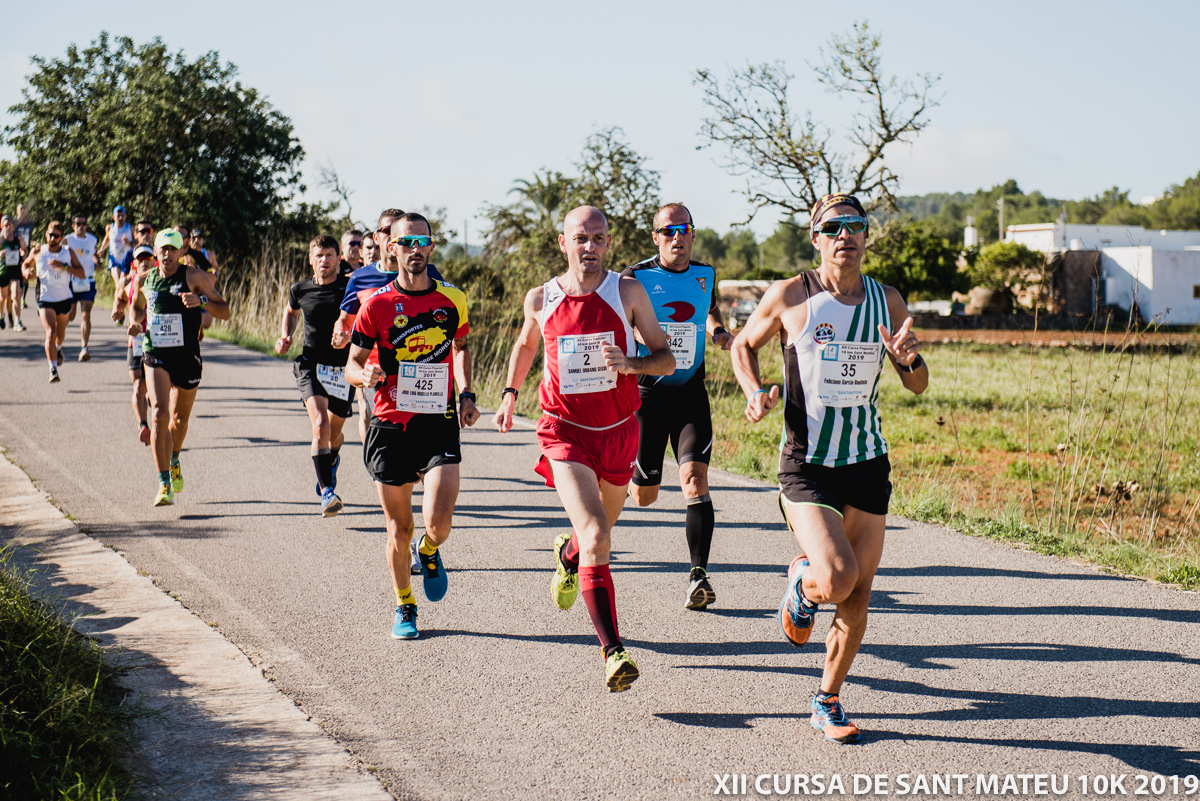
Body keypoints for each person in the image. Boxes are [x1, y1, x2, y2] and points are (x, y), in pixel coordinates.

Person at [731, 192, 927, 744]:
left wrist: (909, 359)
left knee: (859, 595)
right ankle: (803, 582)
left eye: (856, 226)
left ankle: (827, 699)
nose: (846, 235)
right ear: (815, 238)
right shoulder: (792, 295)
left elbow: (917, 383)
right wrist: (754, 391)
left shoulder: (886, 300)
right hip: (808, 466)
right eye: (833, 227)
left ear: (867, 236)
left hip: (866, 463)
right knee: (837, 578)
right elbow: (743, 345)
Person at [492, 206, 674, 692]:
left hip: (617, 431)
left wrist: (631, 363)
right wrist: (511, 393)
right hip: (564, 431)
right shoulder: (542, 298)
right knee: (598, 534)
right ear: (563, 242)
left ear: (608, 244)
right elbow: (527, 346)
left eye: (598, 238)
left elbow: (667, 359)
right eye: (580, 238)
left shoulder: (627, 292)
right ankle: (614, 652)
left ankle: (568, 554)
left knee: (595, 534)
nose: (589, 246)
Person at [345, 212, 478, 640]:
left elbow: (460, 347)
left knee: (438, 522)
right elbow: (352, 363)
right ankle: (405, 603)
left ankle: (430, 549)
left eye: (422, 241)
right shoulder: (377, 304)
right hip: (389, 424)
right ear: (392, 247)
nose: (415, 249)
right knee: (398, 528)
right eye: (406, 242)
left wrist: (469, 393)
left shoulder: (452, 299)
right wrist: (362, 376)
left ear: (432, 247)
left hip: (438, 419)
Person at [622, 203, 733, 610]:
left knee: (694, 480)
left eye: (684, 229)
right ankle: (634, 482)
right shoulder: (635, 277)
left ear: (693, 234)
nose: (677, 237)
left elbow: (710, 307)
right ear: (655, 237)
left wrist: (719, 332)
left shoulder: (705, 274)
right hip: (647, 398)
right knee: (644, 496)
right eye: (668, 231)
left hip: (690, 395)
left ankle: (698, 575)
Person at [131, 229, 230, 506]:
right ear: (155, 251)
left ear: (181, 252)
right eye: (162, 249)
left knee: (179, 419)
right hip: (155, 353)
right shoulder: (146, 279)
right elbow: (138, 308)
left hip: (186, 356)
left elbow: (225, 311)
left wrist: (202, 302)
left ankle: (174, 458)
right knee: (159, 414)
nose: (167, 254)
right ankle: (163, 483)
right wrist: (135, 322)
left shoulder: (194, 277)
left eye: (173, 249)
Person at [275, 235, 355, 516]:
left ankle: (330, 460)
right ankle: (327, 493)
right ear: (311, 258)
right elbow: (291, 312)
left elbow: (363, 321)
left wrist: (348, 336)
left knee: (334, 435)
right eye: (319, 255)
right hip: (311, 365)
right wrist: (286, 335)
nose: (324, 260)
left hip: (344, 370)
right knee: (320, 425)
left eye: (330, 255)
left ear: (338, 258)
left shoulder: (349, 289)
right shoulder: (300, 289)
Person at [21, 222, 85, 383]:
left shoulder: (67, 253)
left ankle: (58, 348)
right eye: (49, 235)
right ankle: (53, 369)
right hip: (45, 298)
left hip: (64, 298)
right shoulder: (38, 251)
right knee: (51, 331)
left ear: (61, 237)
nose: (52, 238)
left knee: (60, 335)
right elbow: (25, 265)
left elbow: (82, 273)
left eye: (56, 236)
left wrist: (64, 267)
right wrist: (26, 272)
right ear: (46, 235)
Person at [112, 245, 156, 445]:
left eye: (148, 257)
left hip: (158, 339)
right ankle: (143, 425)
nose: (144, 261)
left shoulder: (160, 280)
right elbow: (120, 300)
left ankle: (156, 417)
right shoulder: (130, 282)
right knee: (138, 384)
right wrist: (117, 311)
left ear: (154, 260)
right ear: (135, 263)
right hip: (136, 340)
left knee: (153, 385)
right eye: (140, 258)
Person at [65, 214, 100, 361]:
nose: (81, 226)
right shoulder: (68, 239)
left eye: (84, 223)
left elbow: (94, 254)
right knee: (71, 315)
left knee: (86, 314)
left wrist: (97, 262)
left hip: (88, 281)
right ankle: (59, 328)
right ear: (73, 226)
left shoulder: (92, 239)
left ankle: (84, 348)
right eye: (78, 223)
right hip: (72, 281)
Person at [1, 214, 27, 331]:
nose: (8, 227)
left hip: (15, 270)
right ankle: (2, 316)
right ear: (2, 226)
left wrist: (23, 255)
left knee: (16, 295)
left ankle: (17, 321)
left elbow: (24, 250)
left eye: (10, 225)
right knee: (3, 298)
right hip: (3, 271)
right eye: (5, 225)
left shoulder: (17, 238)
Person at [98, 205, 134, 287]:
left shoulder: (130, 228)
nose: (120, 218)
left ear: (125, 216)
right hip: (114, 261)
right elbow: (107, 238)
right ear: (113, 217)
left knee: (125, 285)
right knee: (118, 284)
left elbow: (137, 244)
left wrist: (129, 243)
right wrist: (102, 249)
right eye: (118, 216)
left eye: (122, 216)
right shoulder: (110, 228)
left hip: (127, 261)